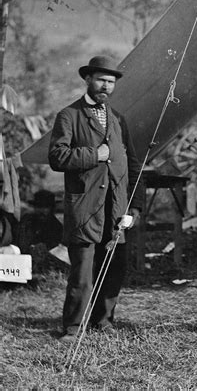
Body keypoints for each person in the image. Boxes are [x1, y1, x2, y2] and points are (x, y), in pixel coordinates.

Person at [49, 55, 144, 341]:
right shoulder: (69, 115)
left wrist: (135, 207)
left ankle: (103, 321)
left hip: (115, 209)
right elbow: (57, 156)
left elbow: (135, 165)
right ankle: (73, 328)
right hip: (85, 208)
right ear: (88, 79)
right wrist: (95, 155)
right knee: (82, 273)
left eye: (111, 82)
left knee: (113, 267)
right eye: (101, 80)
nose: (106, 86)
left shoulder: (118, 119)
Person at [17, 189, 63, 255]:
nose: (42, 210)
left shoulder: (57, 227)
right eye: (39, 206)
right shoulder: (27, 221)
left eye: (46, 207)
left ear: (51, 208)